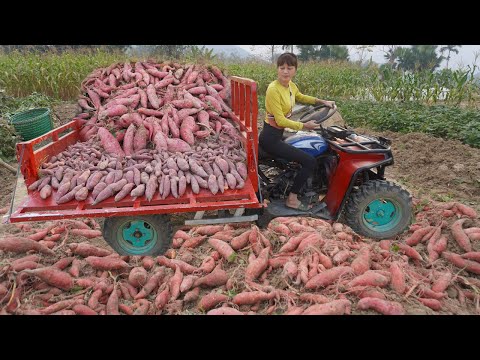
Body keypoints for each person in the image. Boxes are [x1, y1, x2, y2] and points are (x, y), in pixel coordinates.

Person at [259, 52, 335, 211]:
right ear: (277, 69)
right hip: (270, 137)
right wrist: (304, 126)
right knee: (309, 161)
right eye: (282, 68)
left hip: (278, 134)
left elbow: (301, 96)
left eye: (289, 68)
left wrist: (322, 102)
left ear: (295, 70)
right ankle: (292, 199)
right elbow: (280, 120)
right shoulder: (273, 89)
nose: (285, 71)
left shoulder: (291, 86)